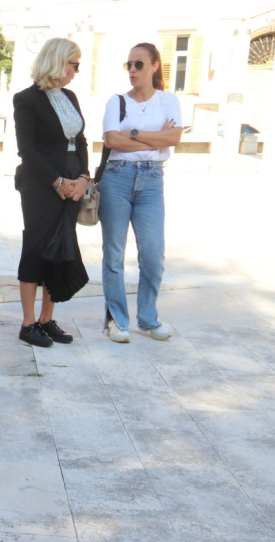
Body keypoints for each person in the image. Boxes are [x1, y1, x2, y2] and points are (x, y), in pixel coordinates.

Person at [98, 42, 182, 343]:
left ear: (155, 66)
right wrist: (155, 142)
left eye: (139, 64)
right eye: (129, 65)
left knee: (153, 255)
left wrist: (133, 134)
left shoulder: (168, 100)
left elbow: (174, 138)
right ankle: (117, 321)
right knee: (114, 254)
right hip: (117, 179)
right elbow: (111, 140)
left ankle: (147, 319)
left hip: (151, 181)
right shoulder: (117, 101)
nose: (132, 70)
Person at [12, 37, 90, 348]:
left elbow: (81, 140)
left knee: (61, 247)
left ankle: (47, 319)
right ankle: (28, 323)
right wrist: (56, 182)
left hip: (73, 183)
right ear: (58, 62)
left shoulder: (70, 96)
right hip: (41, 185)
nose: (76, 71)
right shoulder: (26, 99)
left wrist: (83, 177)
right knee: (37, 246)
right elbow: (26, 150)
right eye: (74, 64)